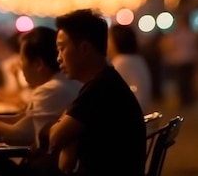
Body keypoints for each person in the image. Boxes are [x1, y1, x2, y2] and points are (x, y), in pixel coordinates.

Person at [0, 27, 81, 176]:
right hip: (47, 165)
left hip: (45, 169)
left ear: (38, 64)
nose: (20, 66)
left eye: (22, 60)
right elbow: (27, 119)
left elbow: (23, 134)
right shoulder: (62, 83)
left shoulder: (52, 89)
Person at [50, 9, 146, 176]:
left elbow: (55, 138)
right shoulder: (107, 81)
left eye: (62, 49)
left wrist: (68, 138)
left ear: (85, 48)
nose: (58, 58)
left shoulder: (100, 89)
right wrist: (71, 140)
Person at [107, 24, 153, 113]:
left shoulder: (121, 62)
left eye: (109, 39)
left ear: (117, 40)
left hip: (128, 114)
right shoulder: (137, 59)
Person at [160, 14, 198, 108]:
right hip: (189, 60)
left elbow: (169, 47)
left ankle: (184, 100)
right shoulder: (191, 34)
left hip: (180, 61)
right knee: (188, 81)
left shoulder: (177, 35)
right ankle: (188, 99)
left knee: (182, 82)